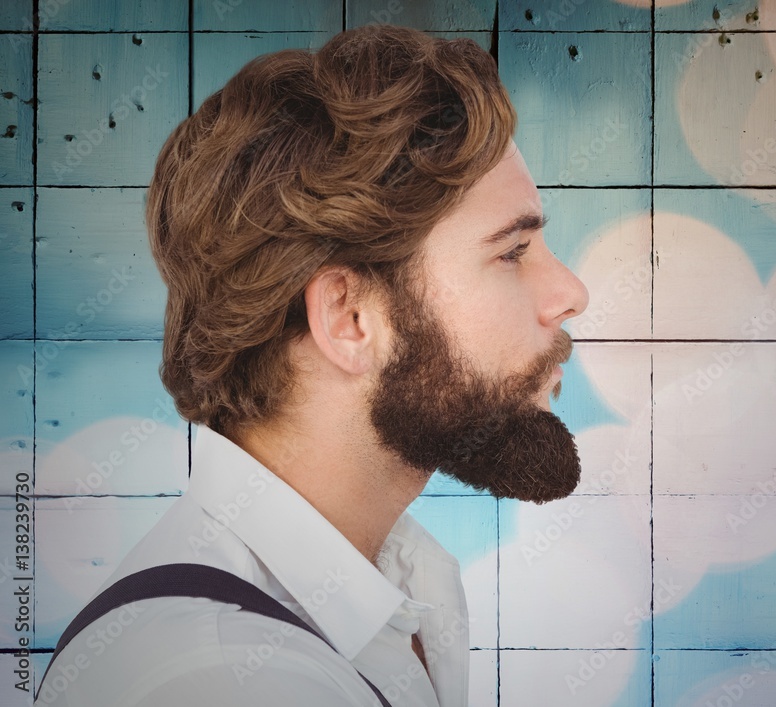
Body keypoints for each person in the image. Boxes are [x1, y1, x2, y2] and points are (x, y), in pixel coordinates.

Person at [35, 23, 588, 707]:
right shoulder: (215, 679)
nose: (571, 294)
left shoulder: (412, 581)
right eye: (513, 251)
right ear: (349, 318)